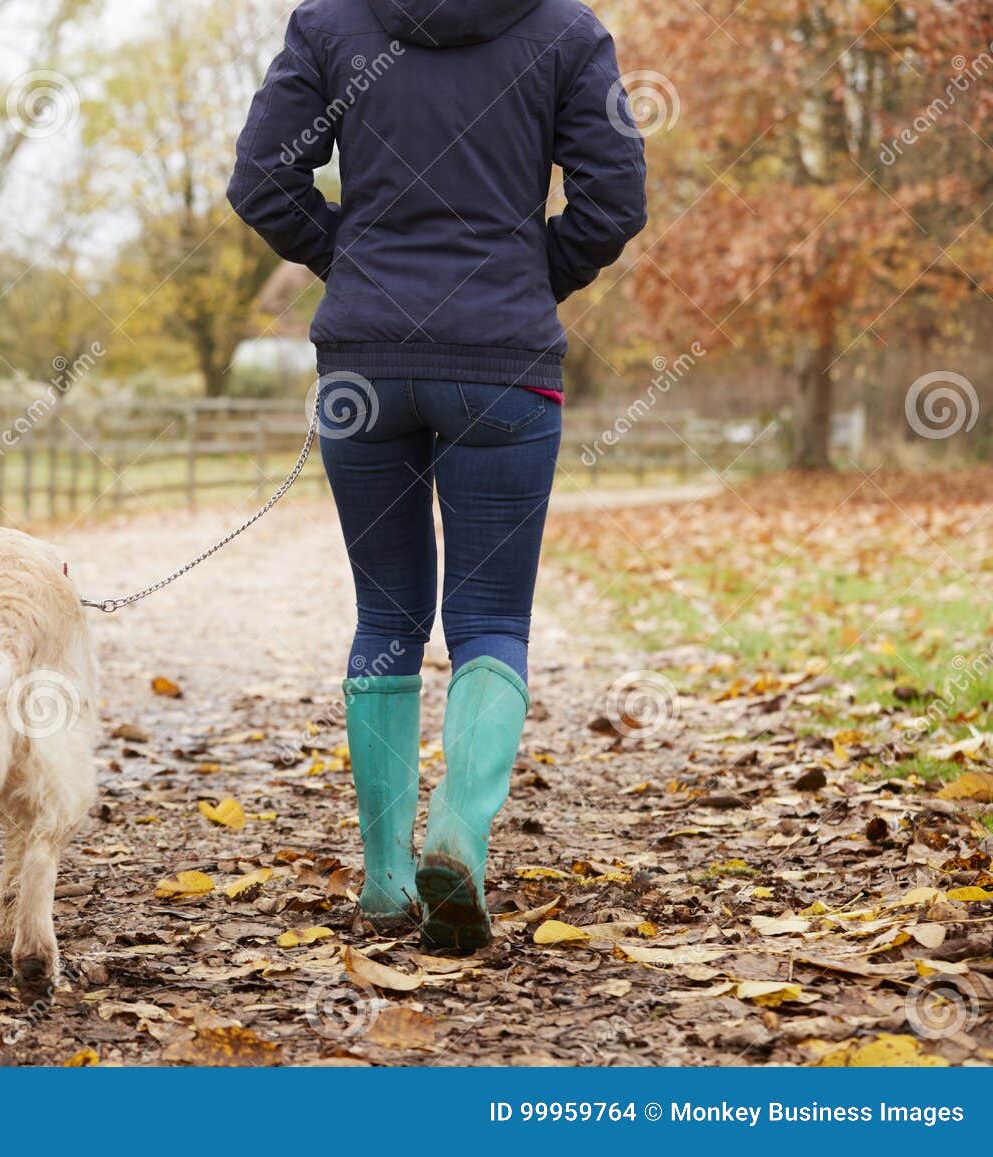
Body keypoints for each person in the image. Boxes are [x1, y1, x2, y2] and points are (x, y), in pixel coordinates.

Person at [229, 0, 647, 951]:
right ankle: (460, 833)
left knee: (385, 620)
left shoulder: (332, 24)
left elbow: (260, 178)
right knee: (491, 621)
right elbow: (616, 199)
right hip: (503, 363)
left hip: (363, 369)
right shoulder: (567, 34)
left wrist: (359, 263)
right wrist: (524, 277)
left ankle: (383, 881)